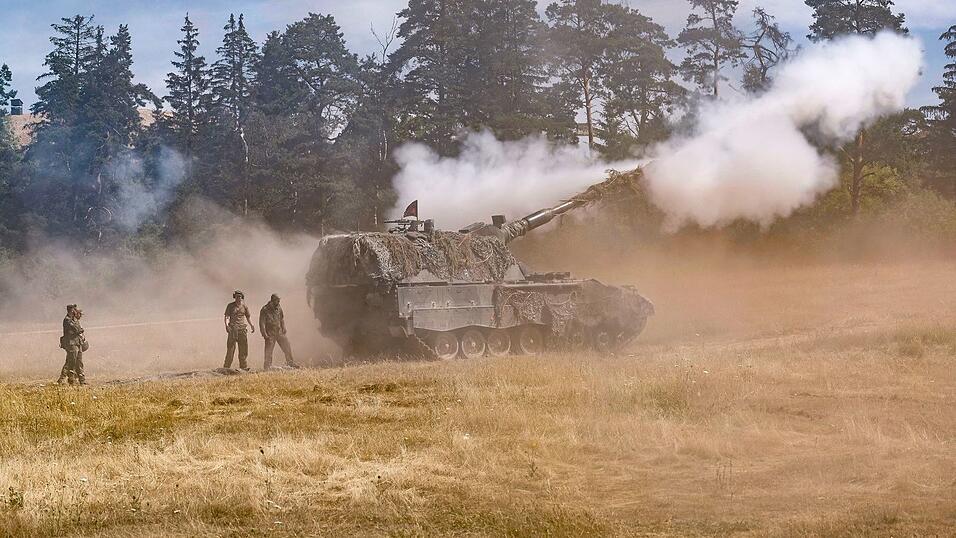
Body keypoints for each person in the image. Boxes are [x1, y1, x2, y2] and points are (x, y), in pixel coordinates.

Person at [259, 294, 299, 370]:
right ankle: (267, 366)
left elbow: (281, 318)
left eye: (279, 300)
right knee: (269, 350)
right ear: (273, 300)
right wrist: (264, 333)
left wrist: (284, 327)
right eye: (277, 300)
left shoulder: (279, 307)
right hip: (270, 333)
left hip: (279, 331)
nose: (278, 302)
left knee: (286, 345)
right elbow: (262, 322)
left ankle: (290, 362)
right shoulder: (265, 309)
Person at [223, 290, 254, 371]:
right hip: (233, 330)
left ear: (242, 297)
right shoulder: (230, 306)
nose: (238, 298)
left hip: (242, 330)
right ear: (234, 297)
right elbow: (227, 317)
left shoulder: (244, 306)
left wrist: (252, 325)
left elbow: (248, 317)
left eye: (240, 296)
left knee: (243, 349)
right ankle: (226, 367)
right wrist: (226, 325)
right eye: (237, 296)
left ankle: (243, 367)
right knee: (231, 349)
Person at [58, 304, 88, 385]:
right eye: (75, 309)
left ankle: (82, 381)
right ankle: (65, 380)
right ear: (71, 310)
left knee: (79, 362)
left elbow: (78, 329)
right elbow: (77, 330)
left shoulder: (74, 319)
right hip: (71, 343)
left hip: (78, 342)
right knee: (71, 362)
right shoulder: (67, 320)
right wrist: (80, 330)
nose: (76, 311)